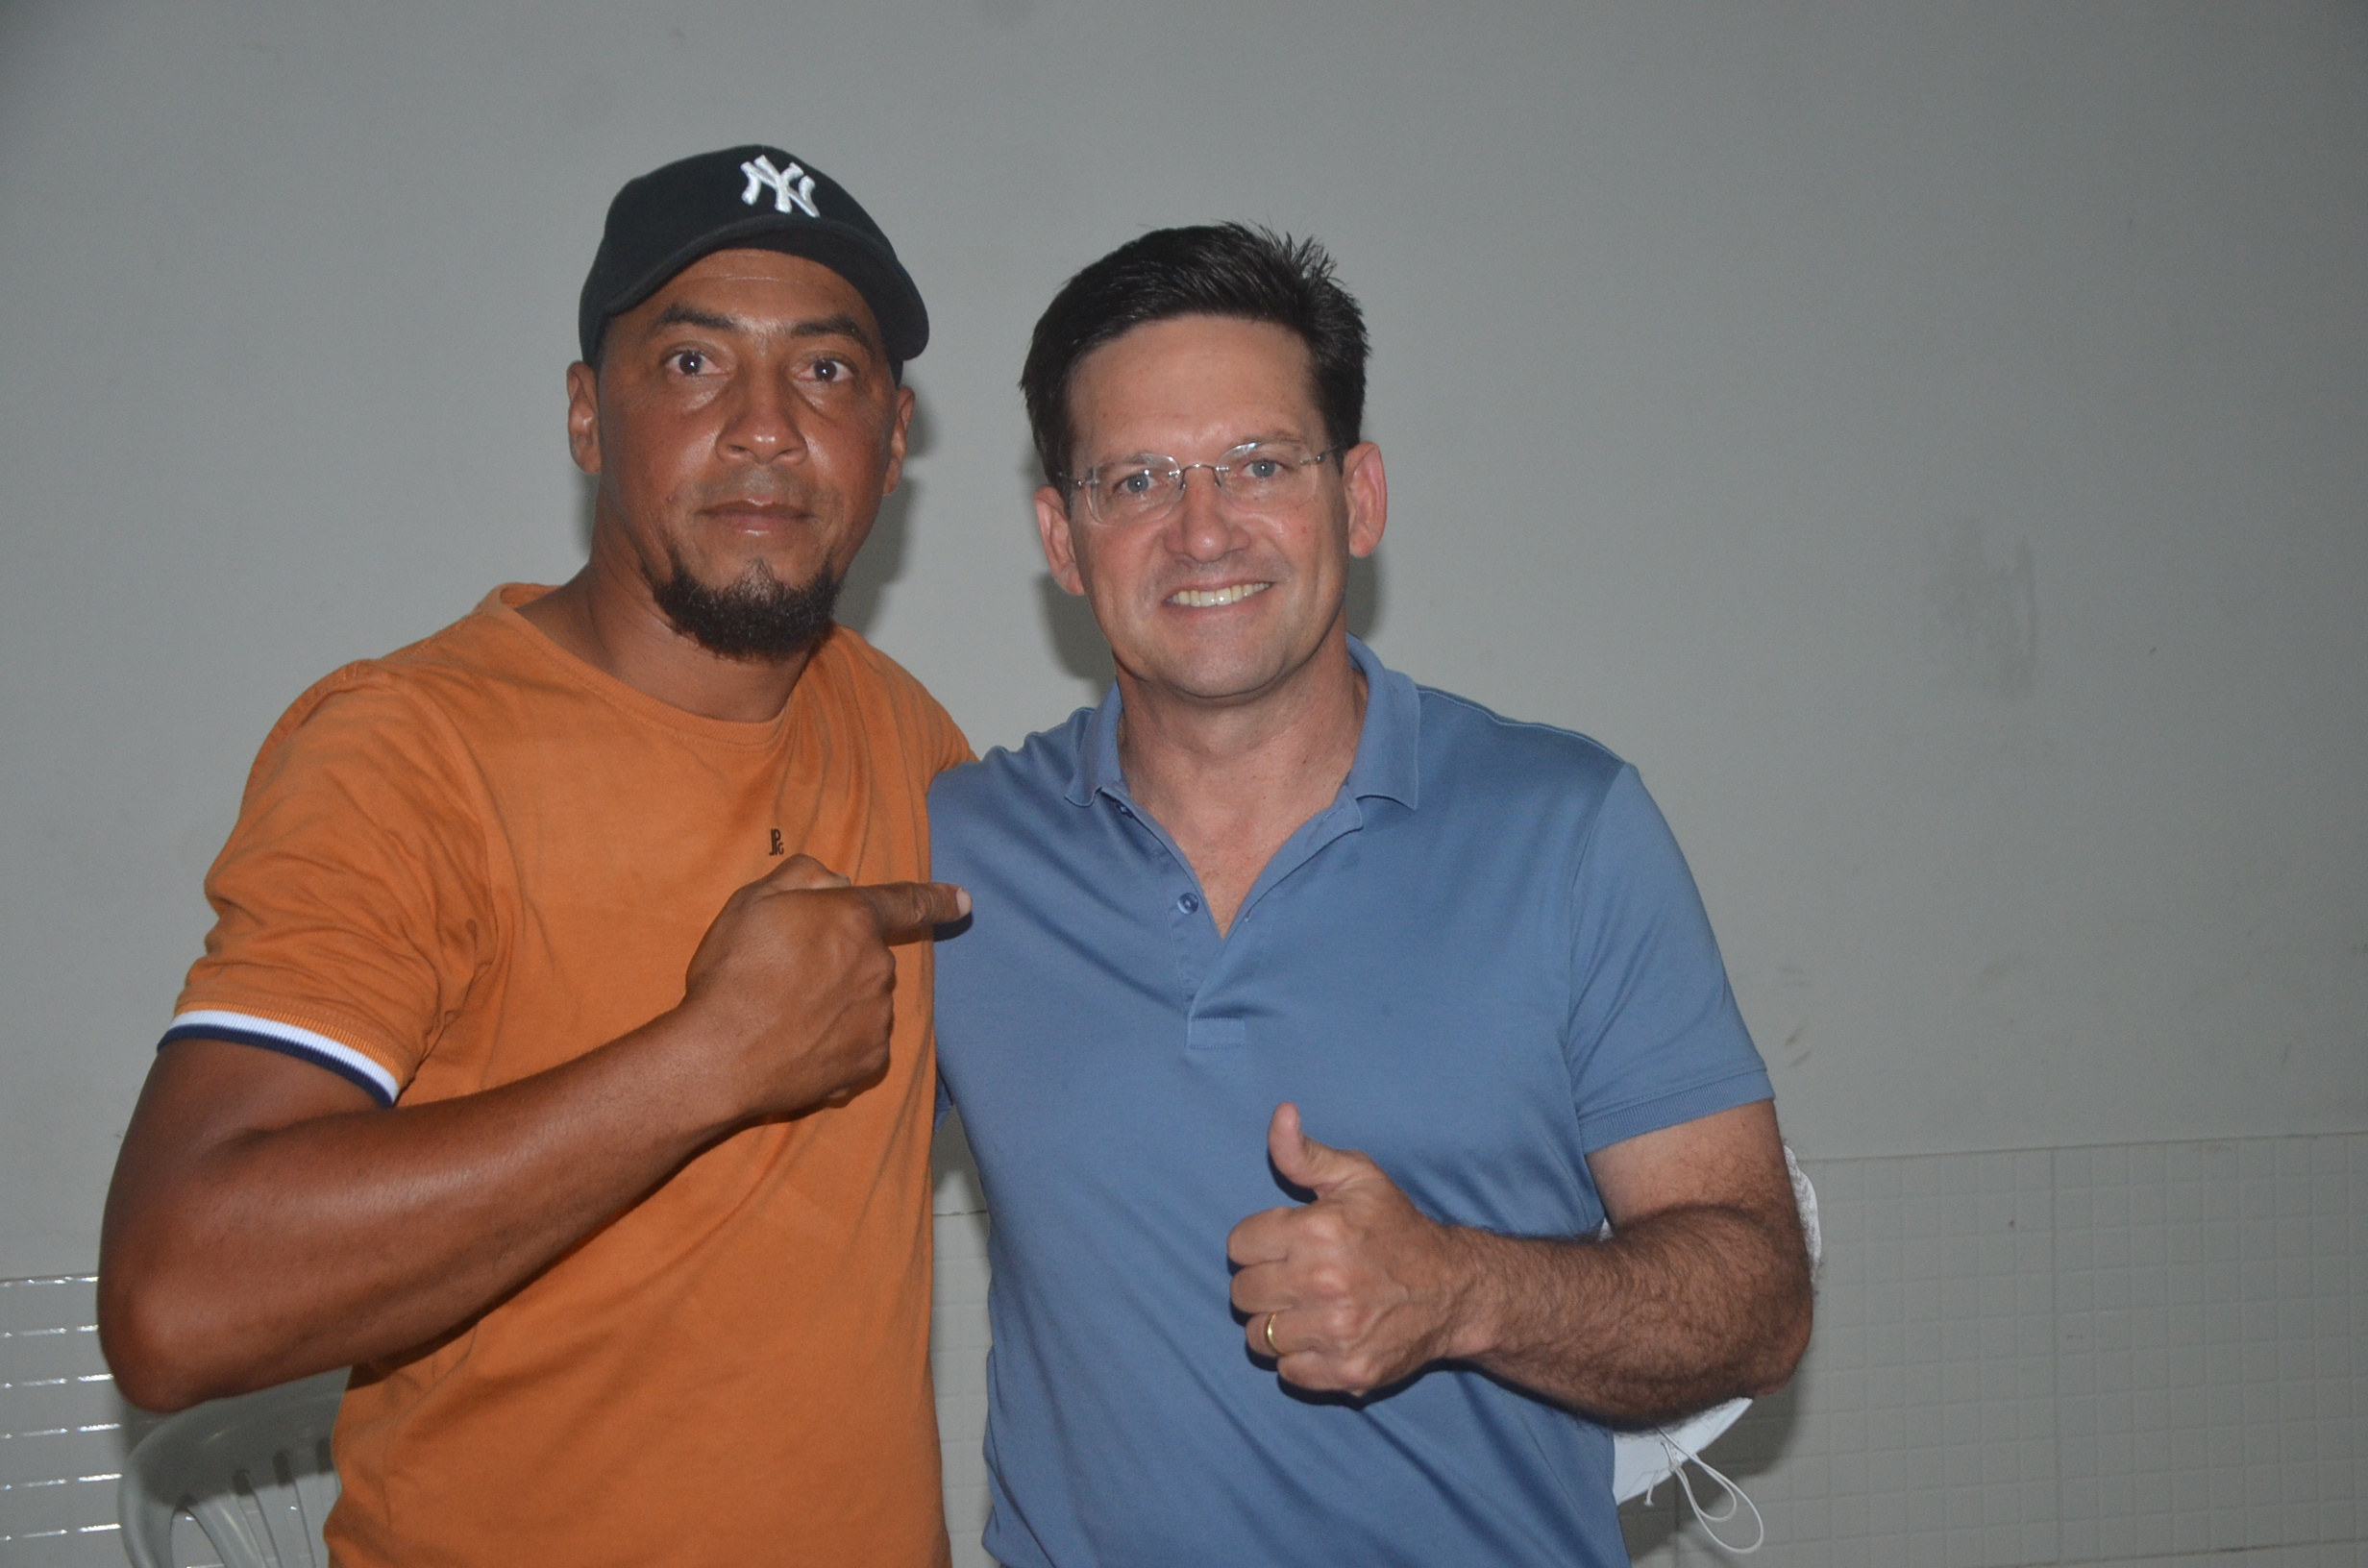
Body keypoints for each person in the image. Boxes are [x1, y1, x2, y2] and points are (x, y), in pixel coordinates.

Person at [98, 146, 970, 1568]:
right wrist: (708, 1061)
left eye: (826, 371)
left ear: (892, 435)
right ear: (586, 415)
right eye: (693, 363)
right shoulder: (408, 750)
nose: (765, 427)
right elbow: (173, 1303)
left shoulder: (902, 731)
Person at [928, 224, 1813, 1566]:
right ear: (1064, 535)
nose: (1201, 529)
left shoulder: (1567, 828)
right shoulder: (961, 858)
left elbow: (1757, 1300)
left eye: (1259, 463)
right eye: (1137, 479)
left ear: (1359, 496)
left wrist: (1462, 1291)